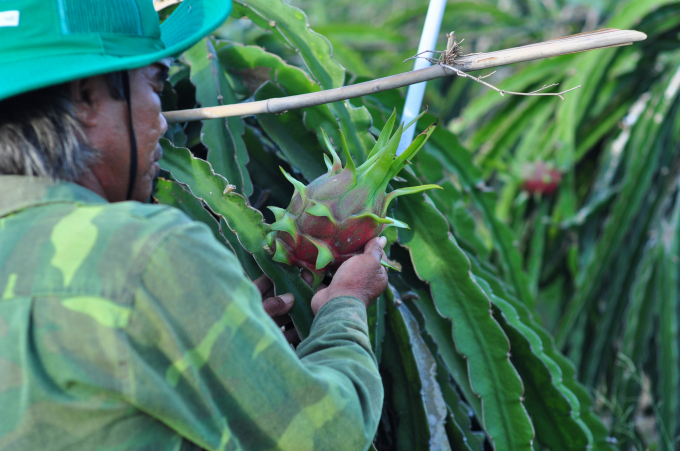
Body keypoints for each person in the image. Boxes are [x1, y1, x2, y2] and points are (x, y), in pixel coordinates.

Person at [0, 0, 388, 450]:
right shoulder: (144, 253)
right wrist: (345, 305)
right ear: (87, 96)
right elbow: (331, 437)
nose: (163, 120)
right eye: (156, 83)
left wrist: (221, 356)